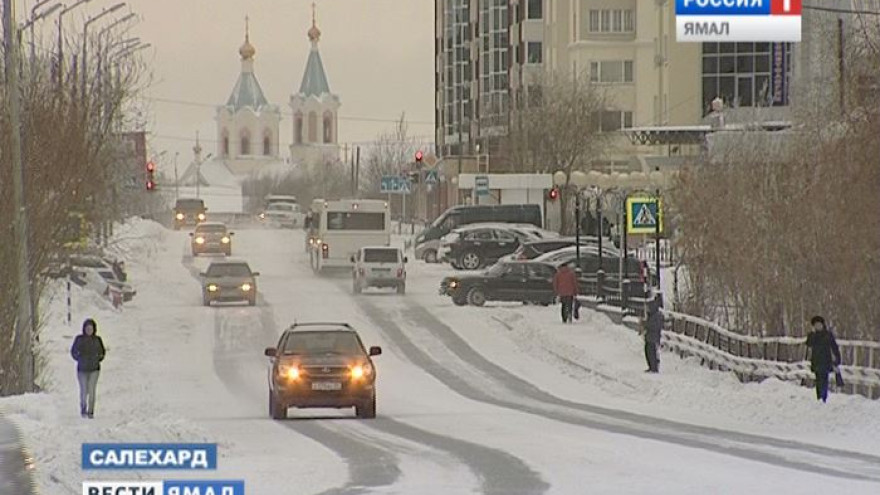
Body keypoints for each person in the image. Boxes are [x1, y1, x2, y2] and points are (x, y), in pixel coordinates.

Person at [70, 318, 105, 418]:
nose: (89, 330)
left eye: (91, 328)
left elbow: (102, 352)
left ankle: (91, 411)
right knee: (84, 390)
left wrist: (98, 359)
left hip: (94, 369)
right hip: (82, 370)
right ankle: (83, 408)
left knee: (92, 389)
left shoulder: (97, 340)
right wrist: (79, 358)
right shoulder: (79, 339)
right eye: (87, 328)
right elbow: (73, 351)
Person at [805, 315, 841, 403]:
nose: (818, 326)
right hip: (816, 361)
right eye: (816, 325)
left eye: (819, 324)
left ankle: (823, 398)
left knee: (824, 379)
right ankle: (819, 398)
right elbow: (808, 344)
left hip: (826, 361)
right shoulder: (812, 335)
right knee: (818, 380)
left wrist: (837, 359)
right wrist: (812, 334)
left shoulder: (828, 335)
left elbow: (834, 347)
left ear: (822, 324)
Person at [643, 296, 663, 373]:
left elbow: (654, 325)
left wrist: (646, 325)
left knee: (652, 352)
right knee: (648, 351)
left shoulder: (657, 315)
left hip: (653, 337)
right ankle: (651, 366)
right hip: (649, 336)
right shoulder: (651, 315)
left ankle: (654, 367)